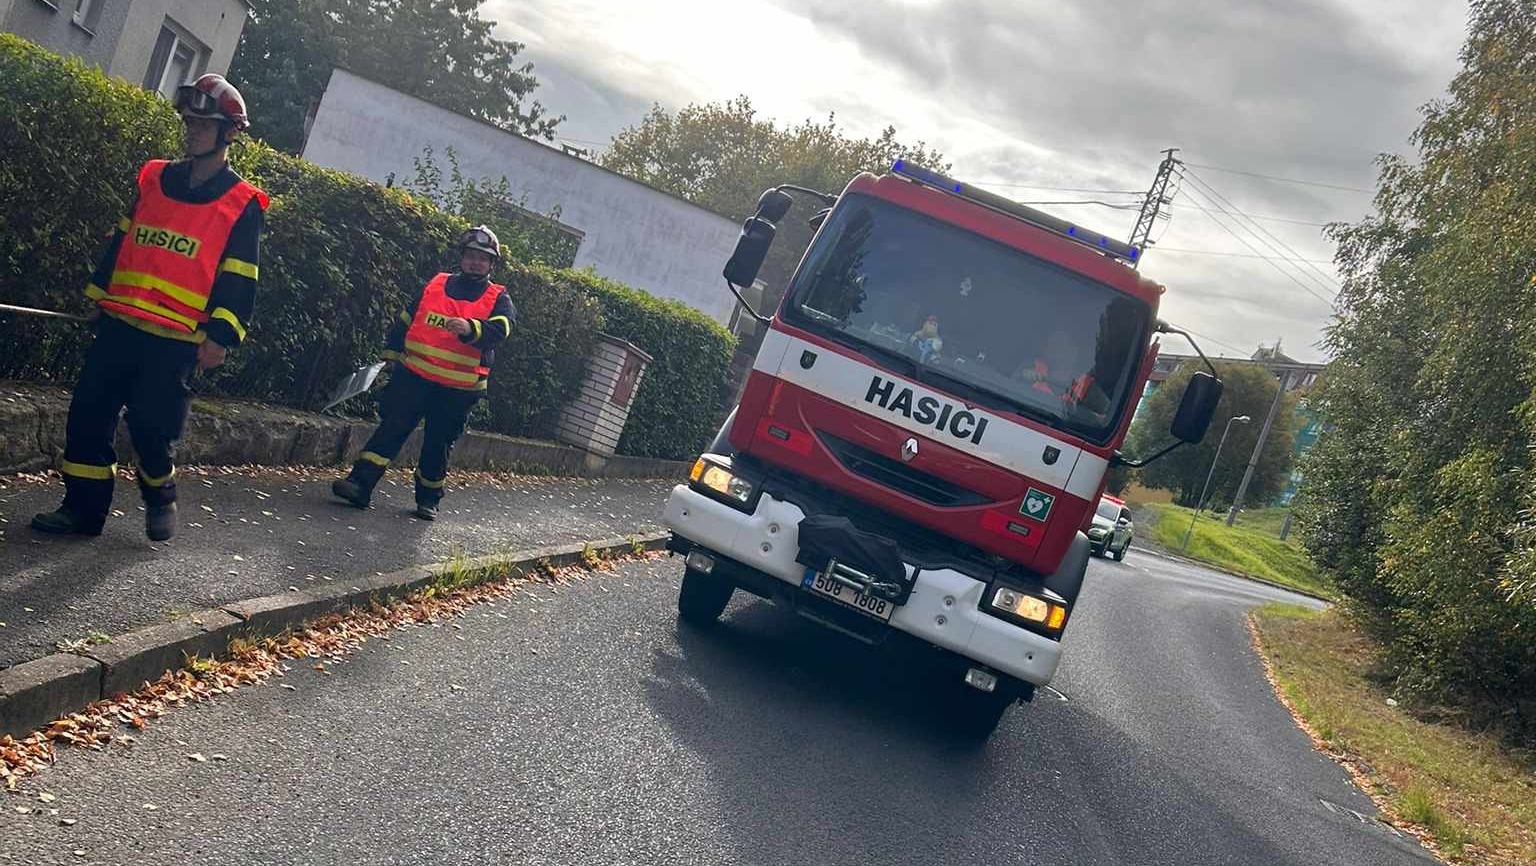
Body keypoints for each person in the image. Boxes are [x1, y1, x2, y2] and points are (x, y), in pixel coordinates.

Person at [31, 74, 267, 541]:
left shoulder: (241, 202)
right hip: (120, 325)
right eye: (189, 120)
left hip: (176, 340)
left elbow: (241, 274)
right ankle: (83, 511)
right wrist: (99, 295)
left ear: (228, 132)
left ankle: (160, 489)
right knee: (88, 415)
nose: (192, 129)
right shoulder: (155, 177)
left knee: (150, 427)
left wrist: (222, 335)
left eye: (204, 122)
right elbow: (124, 238)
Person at [330, 226, 516, 520]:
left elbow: (502, 329)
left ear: (492, 264)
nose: (475, 262)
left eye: (482, 258)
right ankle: (359, 485)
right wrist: (389, 358)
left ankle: (428, 499)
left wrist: (472, 329)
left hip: (458, 389)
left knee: (437, 443)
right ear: (462, 257)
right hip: (414, 376)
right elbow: (407, 318)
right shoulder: (437, 283)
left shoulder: (498, 297)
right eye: (470, 255)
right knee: (391, 428)